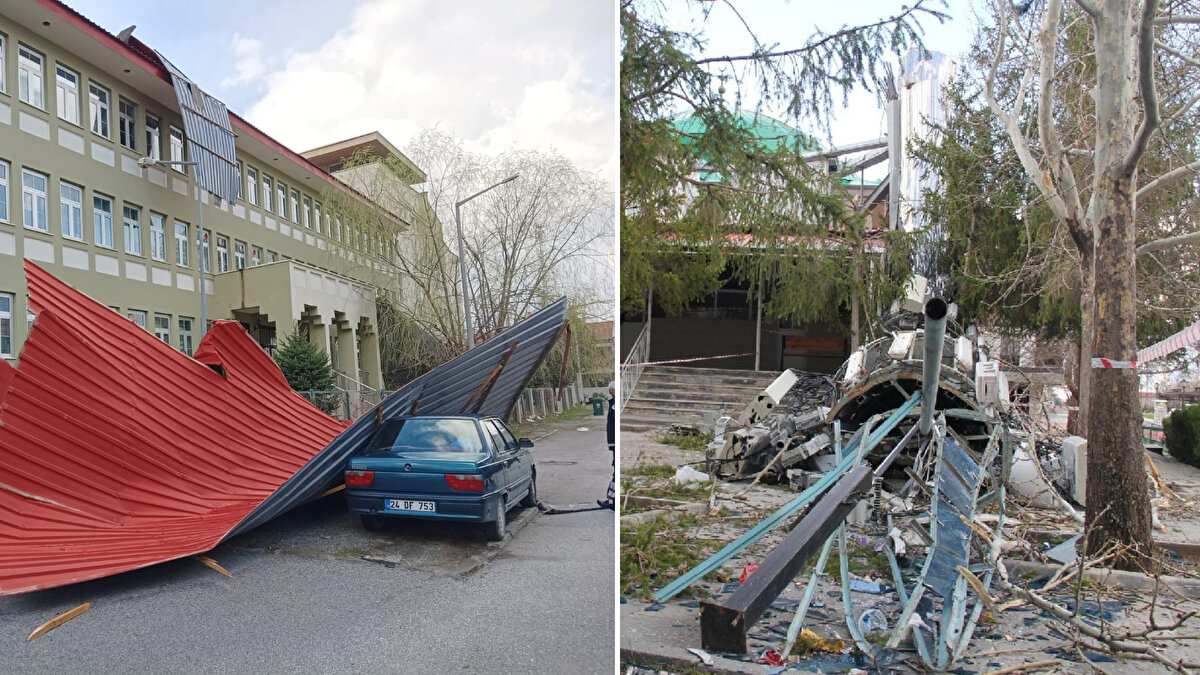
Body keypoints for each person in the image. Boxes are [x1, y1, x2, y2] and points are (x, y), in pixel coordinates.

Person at [598, 381, 616, 510]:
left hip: (615, 442)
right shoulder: (614, 403)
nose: (610, 393)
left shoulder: (615, 404)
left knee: (616, 473)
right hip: (614, 442)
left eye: (611, 391)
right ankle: (612, 501)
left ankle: (612, 501)